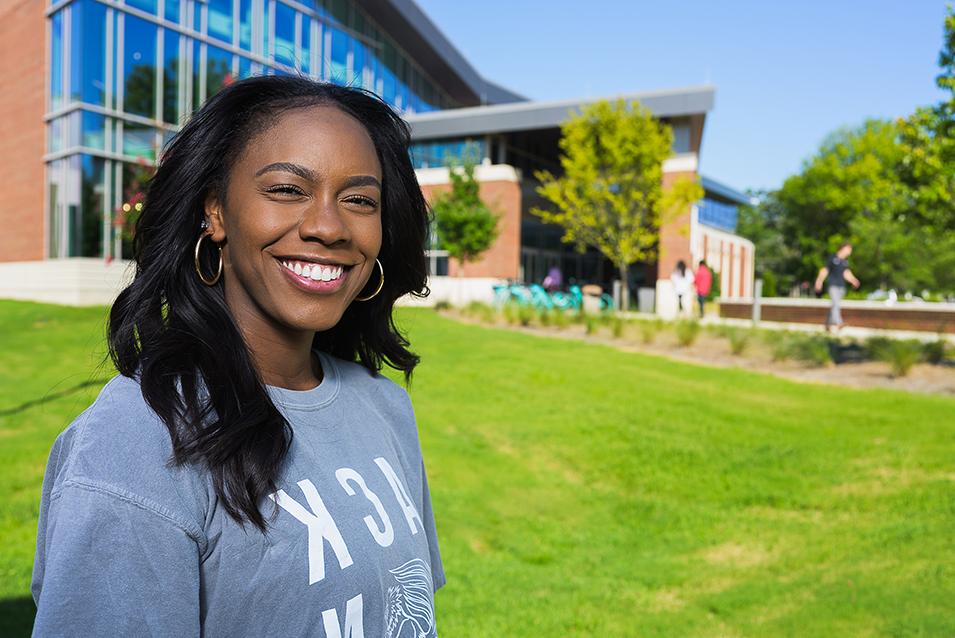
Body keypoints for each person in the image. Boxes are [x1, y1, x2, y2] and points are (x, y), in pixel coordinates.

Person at [31, 76, 444, 637]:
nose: (328, 225)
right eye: (286, 190)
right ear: (216, 213)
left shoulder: (385, 407)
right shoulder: (137, 442)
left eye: (359, 200)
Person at [814, 242, 861, 332]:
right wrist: (819, 281)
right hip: (833, 285)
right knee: (836, 304)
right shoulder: (832, 258)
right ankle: (839, 323)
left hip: (841, 287)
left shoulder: (845, 262)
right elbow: (825, 270)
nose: (850, 251)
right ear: (843, 248)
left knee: (834, 305)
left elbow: (846, 273)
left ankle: (827, 325)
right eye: (849, 249)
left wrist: (854, 280)